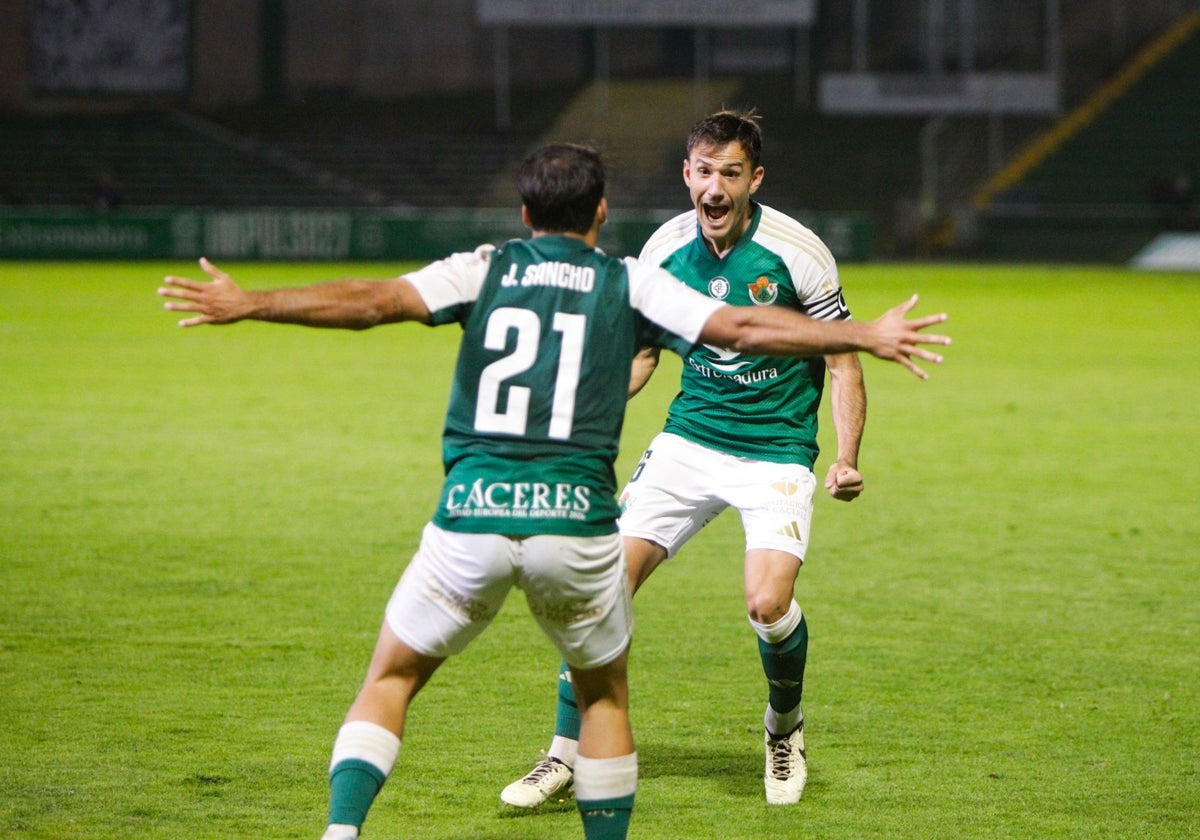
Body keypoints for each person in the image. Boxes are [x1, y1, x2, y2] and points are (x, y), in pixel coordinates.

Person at [158, 142, 949, 840]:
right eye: (702, 172)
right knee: (607, 692)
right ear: (602, 210)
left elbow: (374, 301)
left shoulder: (485, 266)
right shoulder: (633, 280)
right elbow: (740, 329)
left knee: (392, 678)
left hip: (477, 514)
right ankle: (570, 768)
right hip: (577, 519)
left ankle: (342, 829)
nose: (713, 187)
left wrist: (250, 303)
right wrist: (868, 335)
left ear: (525, 209)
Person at [500, 110, 893, 809]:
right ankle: (562, 754)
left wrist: (847, 457)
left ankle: (784, 729)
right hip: (690, 441)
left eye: (730, 174)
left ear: (754, 179)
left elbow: (842, 358)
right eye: (704, 172)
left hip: (775, 448)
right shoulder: (664, 249)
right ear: (687, 174)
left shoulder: (798, 254)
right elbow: (646, 353)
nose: (715, 188)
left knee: (768, 604)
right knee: (599, 592)